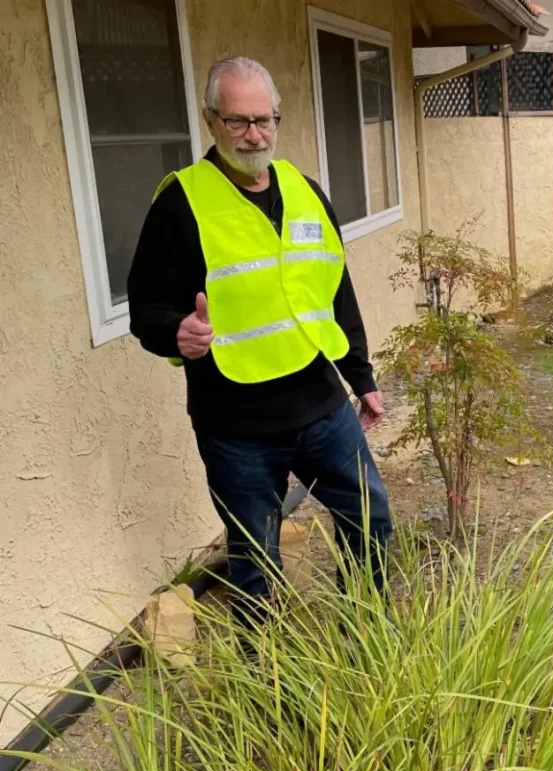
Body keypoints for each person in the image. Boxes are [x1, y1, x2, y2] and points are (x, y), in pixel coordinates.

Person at [128, 57, 393, 626]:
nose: (254, 134)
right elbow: (145, 306)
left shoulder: (305, 191)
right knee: (255, 563)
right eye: (238, 122)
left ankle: (368, 631)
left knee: (371, 521)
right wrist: (175, 331)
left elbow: (335, 293)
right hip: (236, 425)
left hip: (321, 406)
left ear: (277, 118)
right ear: (210, 121)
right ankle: (264, 681)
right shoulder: (181, 203)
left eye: (265, 120)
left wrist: (362, 378)